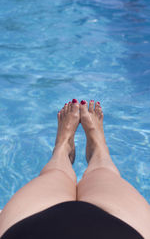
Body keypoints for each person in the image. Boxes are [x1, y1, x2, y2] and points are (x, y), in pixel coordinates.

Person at [0, 99, 149, 239]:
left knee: (55, 173)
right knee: (103, 172)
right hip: (123, 228)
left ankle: (63, 149)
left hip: (24, 229)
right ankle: (98, 151)